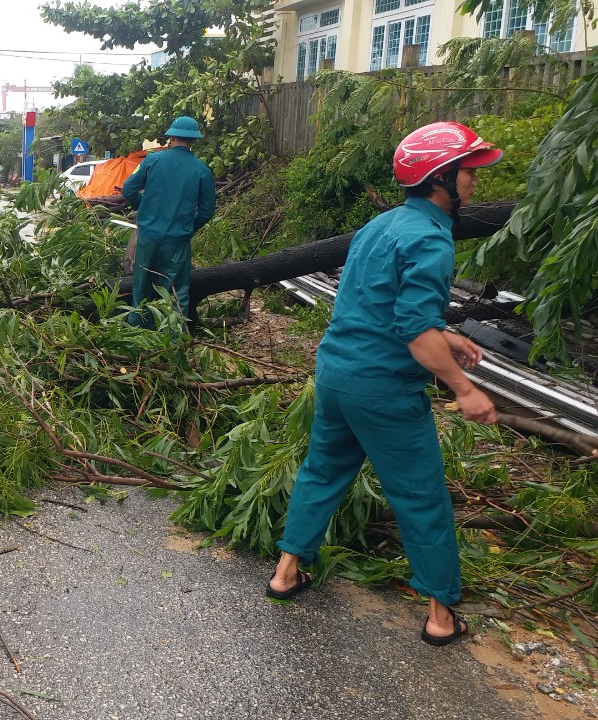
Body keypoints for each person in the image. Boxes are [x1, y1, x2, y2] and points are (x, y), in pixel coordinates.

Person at [266, 121, 502, 647]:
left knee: (322, 473)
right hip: (385, 391)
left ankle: (286, 572)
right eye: (467, 172)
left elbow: (379, 303)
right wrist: (464, 388)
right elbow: (414, 330)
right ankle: (441, 617)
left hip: (335, 377)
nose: (473, 182)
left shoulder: (382, 225)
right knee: (421, 497)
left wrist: (447, 334)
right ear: (440, 178)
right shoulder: (432, 239)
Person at [120, 116, 216, 327]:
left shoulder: (152, 160)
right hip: (178, 241)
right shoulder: (201, 170)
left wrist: (141, 208)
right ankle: (174, 340)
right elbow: (208, 210)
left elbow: (128, 189)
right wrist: (189, 227)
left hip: (148, 238)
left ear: (171, 137)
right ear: (193, 141)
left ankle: (137, 336)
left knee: (141, 288)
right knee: (176, 292)